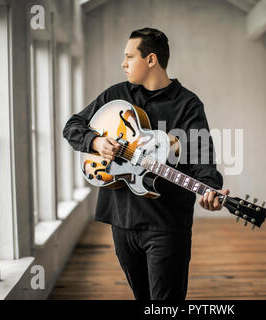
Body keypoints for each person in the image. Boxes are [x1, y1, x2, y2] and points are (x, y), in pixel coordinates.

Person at [63, 27, 229, 300]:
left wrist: (209, 188)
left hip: (166, 223)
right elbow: (73, 126)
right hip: (122, 220)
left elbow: (202, 158)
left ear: (151, 60)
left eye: (130, 56)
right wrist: (96, 143)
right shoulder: (116, 97)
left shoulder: (187, 105)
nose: (123, 63)